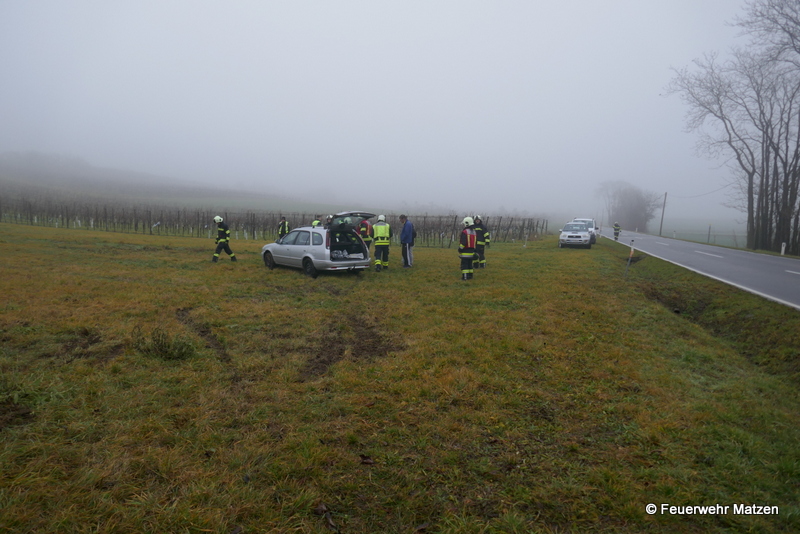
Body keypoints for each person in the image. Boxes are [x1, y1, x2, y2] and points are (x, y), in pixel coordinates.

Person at [458, 216, 477, 281]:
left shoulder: (465, 231)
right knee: (470, 264)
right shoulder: (474, 231)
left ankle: (465, 277)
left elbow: (463, 242)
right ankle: (470, 276)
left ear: (466, 223)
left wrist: (460, 248)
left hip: (465, 251)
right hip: (472, 251)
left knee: (464, 265)